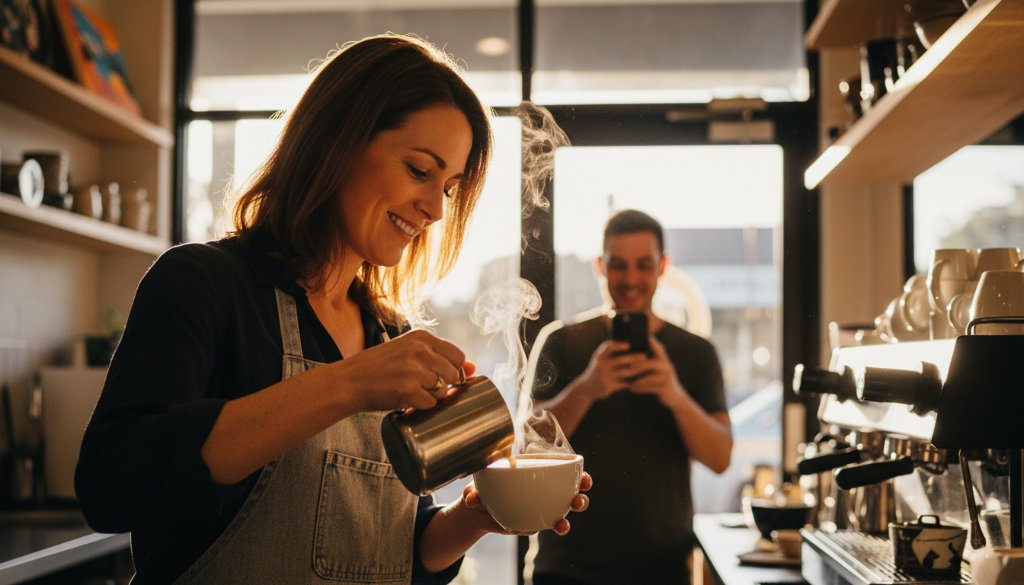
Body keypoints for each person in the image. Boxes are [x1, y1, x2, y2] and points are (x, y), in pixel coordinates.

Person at [75, 34, 590, 585]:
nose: (436, 209)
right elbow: (112, 486)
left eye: (450, 187)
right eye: (420, 170)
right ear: (336, 143)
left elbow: (391, 548)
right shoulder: (205, 285)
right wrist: (346, 385)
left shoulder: (389, 333)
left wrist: (474, 518)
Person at [526, 209, 732, 585]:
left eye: (644, 265)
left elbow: (720, 457)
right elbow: (527, 446)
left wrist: (674, 394)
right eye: (619, 265)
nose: (632, 279)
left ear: (663, 266)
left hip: (662, 568)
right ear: (600, 266)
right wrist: (586, 388)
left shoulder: (695, 352)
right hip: (566, 564)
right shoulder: (562, 340)